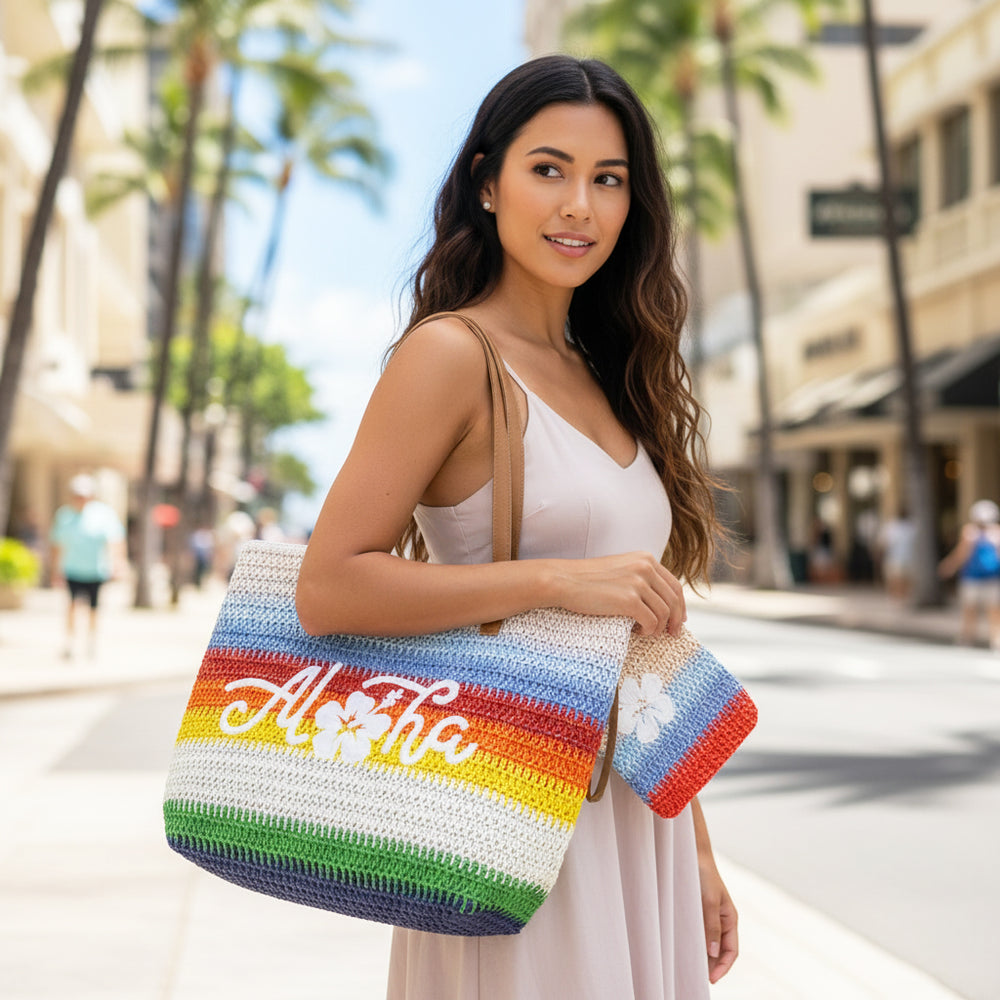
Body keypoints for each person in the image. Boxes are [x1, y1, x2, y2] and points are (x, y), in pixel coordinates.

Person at [296, 56, 736, 998]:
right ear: (487, 184)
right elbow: (329, 585)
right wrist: (554, 581)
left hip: (631, 815)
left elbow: (642, 647)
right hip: (509, 805)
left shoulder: (611, 372)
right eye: (549, 169)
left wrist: (694, 847)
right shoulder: (451, 355)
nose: (580, 204)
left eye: (607, 179)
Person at [49, 474, 126, 659]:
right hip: (72, 569)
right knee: (72, 606)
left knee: (94, 608)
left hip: (96, 570)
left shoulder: (103, 514)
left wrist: (118, 563)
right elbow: (57, 544)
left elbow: (115, 540)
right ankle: (70, 643)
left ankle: (91, 642)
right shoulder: (64, 515)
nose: (80, 499)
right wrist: (55, 569)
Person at [938, 498, 1000, 650]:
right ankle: (995, 638)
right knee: (993, 609)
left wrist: (949, 565)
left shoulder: (970, 532)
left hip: (973, 577)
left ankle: (968, 637)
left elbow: (962, 554)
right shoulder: (995, 533)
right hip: (991, 577)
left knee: (970, 609)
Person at [877, 508, 916, 600]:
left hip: (899, 558)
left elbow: (883, 543)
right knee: (899, 579)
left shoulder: (893, 526)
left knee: (899, 579)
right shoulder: (895, 526)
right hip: (901, 558)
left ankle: (900, 598)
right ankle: (900, 598)